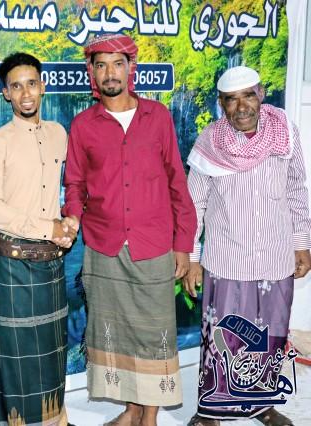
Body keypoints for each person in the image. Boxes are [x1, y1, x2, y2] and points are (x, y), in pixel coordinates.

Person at [62, 34, 197, 426]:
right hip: (103, 245)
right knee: (115, 333)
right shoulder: (83, 125)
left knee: (154, 333)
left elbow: (177, 181)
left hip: (153, 243)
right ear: (92, 72)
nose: (110, 73)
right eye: (101, 65)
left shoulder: (158, 116)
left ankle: (148, 416)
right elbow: (75, 184)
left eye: (117, 64)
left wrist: (183, 244)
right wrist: (72, 217)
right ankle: (131, 409)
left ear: (130, 69)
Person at [184, 66, 310, 426]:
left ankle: (262, 405)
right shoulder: (210, 143)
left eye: (248, 96)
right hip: (228, 260)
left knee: (271, 336)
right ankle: (210, 412)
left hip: (275, 256)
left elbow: (296, 189)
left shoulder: (284, 133)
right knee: (223, 338)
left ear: (261, 94)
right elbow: (194, 205)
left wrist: (302, 243)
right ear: (221, 103)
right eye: (231, 100)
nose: (241, 107)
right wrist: (192, 257)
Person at [0, 52, 75, 426]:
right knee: (17, 356)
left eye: (31, 84)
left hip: (53, 262)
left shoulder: (58, 134)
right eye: (16, 87)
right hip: (14, 263)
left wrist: (68, 221)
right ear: (6, 93)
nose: (25, 93)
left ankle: (56, 419)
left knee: (54, 350)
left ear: (43, 86)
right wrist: (47, 228)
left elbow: (71, 186)